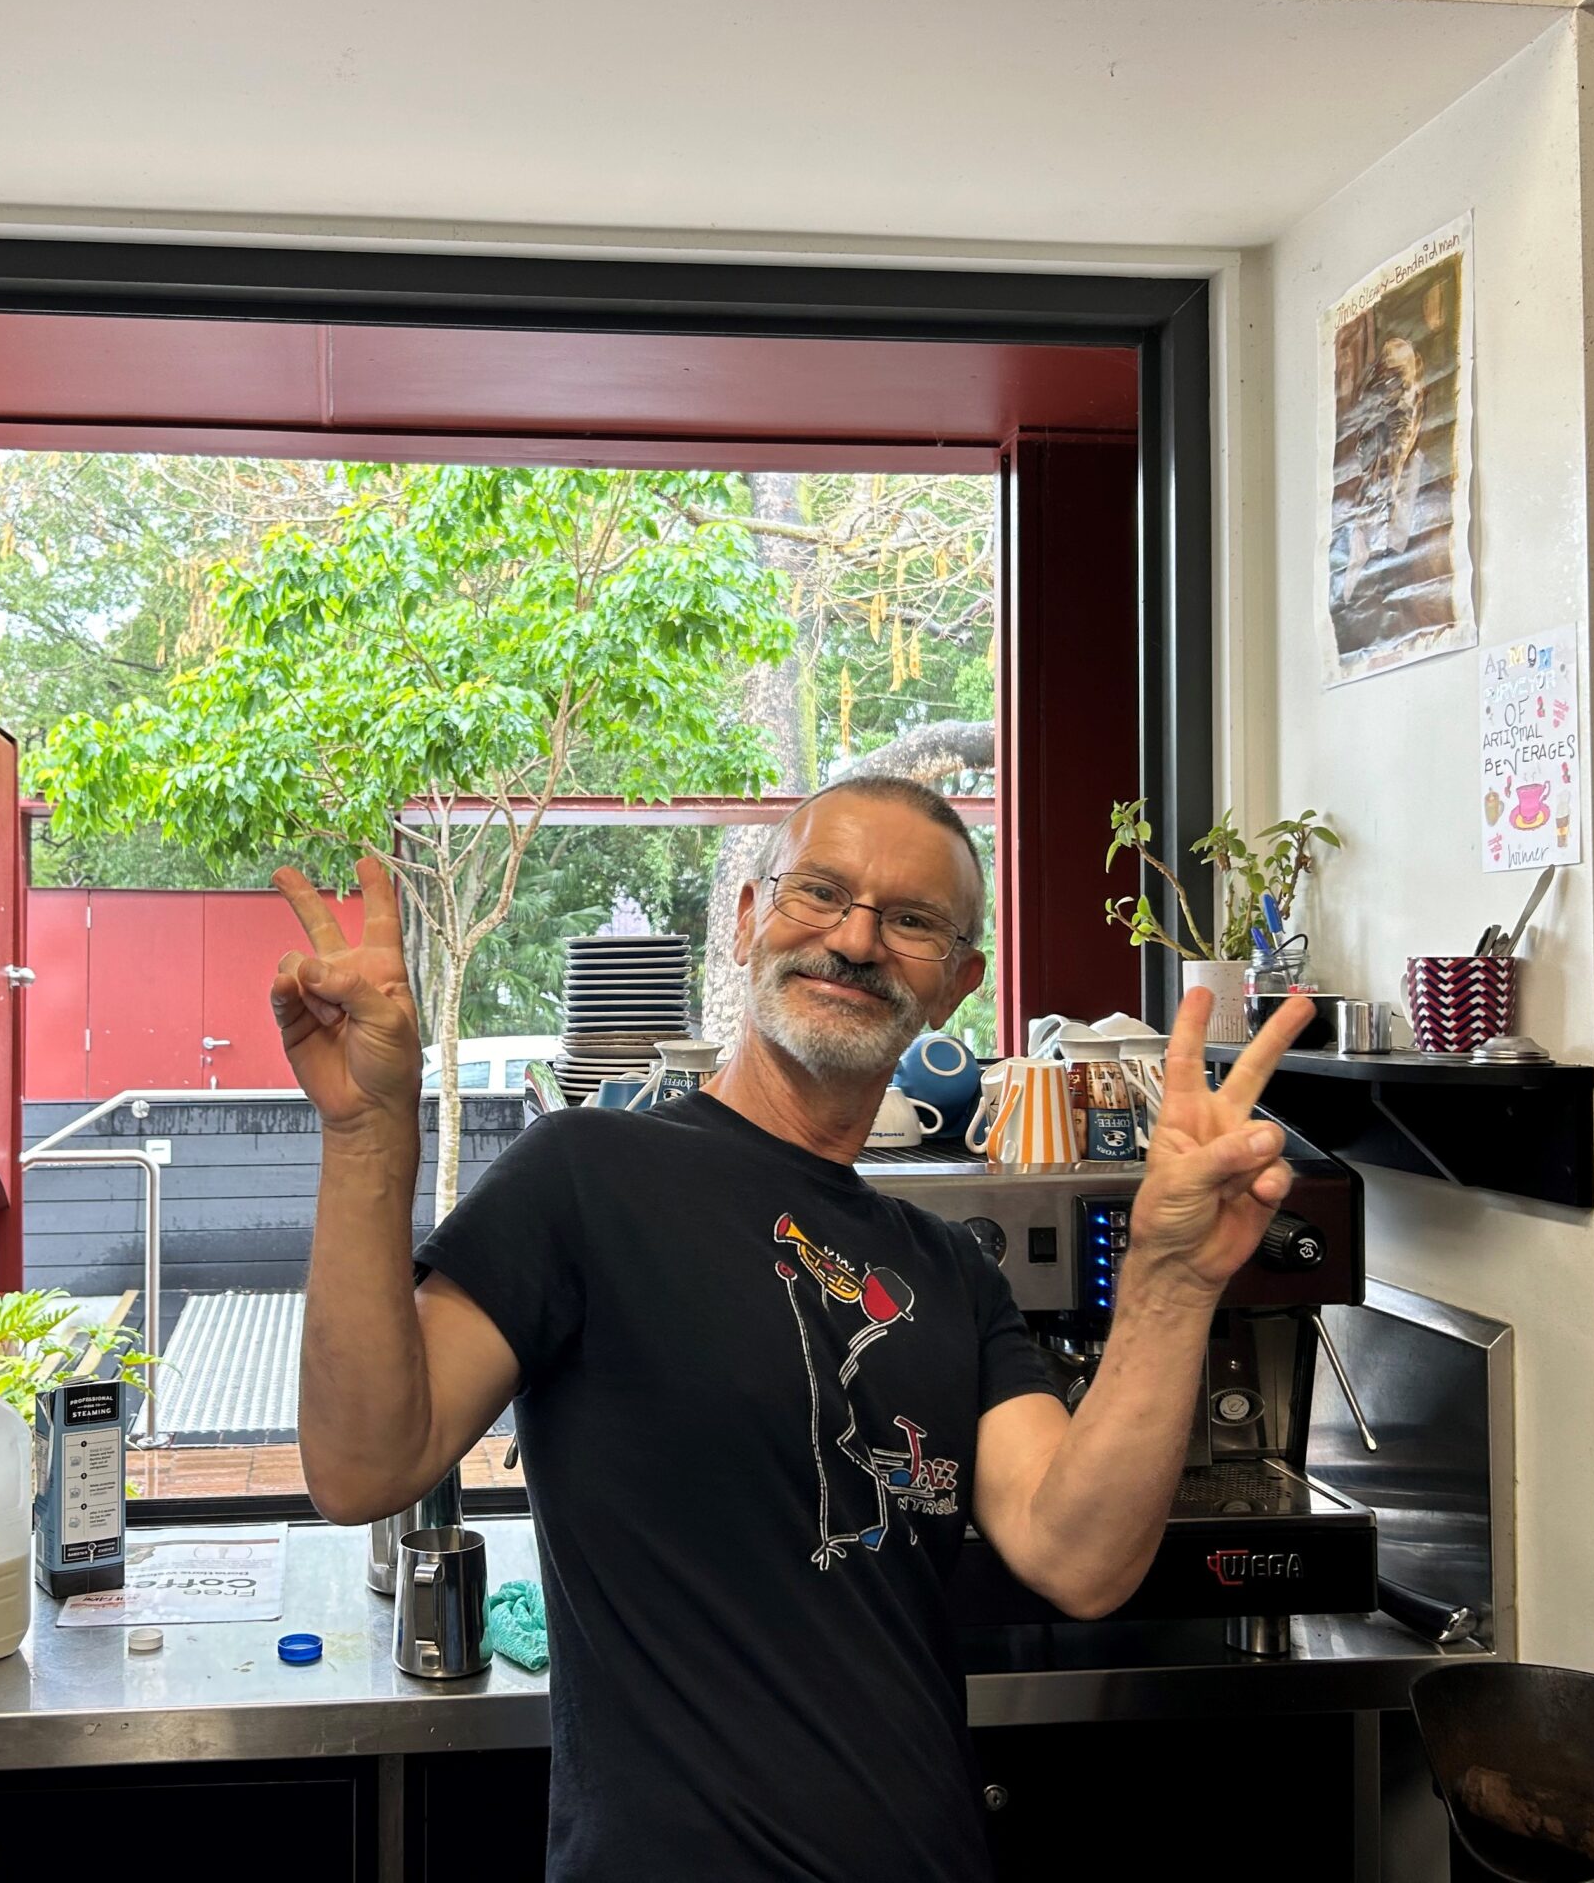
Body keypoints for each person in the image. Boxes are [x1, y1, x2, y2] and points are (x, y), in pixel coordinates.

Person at [269, 776, 1313, 1881]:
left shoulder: (950, 1271)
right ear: (744, 919)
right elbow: (361, 1465)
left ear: (956, 987)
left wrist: (1171, 1280)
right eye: (820, 892)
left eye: (911, 921)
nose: (855, 939)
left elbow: (1080, 1558)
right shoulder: (584, 1177)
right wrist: (370, 1133)